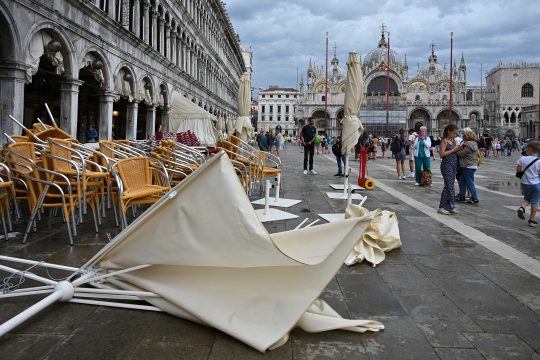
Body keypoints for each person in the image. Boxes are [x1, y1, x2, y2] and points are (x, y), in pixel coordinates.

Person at [438, 124, 463, 215]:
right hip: (446, 165)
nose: (455, 135)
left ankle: (449, 206)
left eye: (456, 133)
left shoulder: (453, 141)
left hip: (453, 165)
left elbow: (454, 152)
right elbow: (442, 154)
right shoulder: (444, 141)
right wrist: (453, 150)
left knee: (450, 185)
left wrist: (458, 149)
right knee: (449, 186)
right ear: (449, 132)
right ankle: (442, 207)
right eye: (454, 133)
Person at [516, 141, 540, 227]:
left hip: (525, 183)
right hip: (536, 184)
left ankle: (522, 207)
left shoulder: (522, 158)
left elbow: (518, 170)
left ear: (529, 149)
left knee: (527, 199)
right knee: (535, 201)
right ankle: (532, 220)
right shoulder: (538, 161)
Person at [457, 129, 479, 204]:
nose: (463, 136)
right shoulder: (475, 143)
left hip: (467, 165)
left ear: (467, 136)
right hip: (473, 165)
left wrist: (456, 149)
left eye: (464, 135)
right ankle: (462, 197)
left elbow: (461, 154)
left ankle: (475, 198)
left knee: (470, 182)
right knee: (462, 181)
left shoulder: (465, 144)